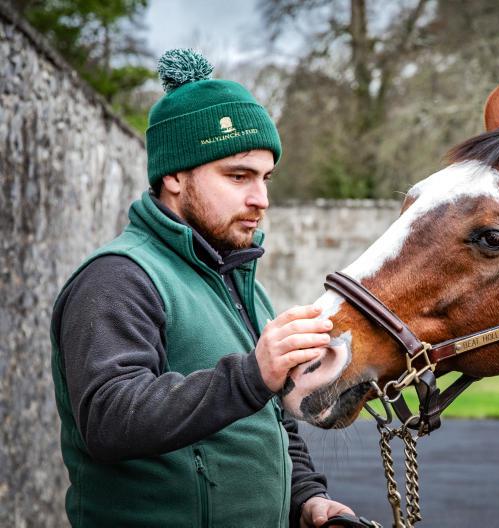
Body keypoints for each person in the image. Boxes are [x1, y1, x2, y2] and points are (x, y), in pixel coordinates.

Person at [50, 49, 354, 528]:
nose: (261, 198)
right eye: (238, 176)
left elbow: (270, 420)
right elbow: (107, 419)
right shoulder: (118, 278)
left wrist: (307, 498)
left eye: (265, 178)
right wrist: (251, 374)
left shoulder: (238, 279)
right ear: (174, 175)